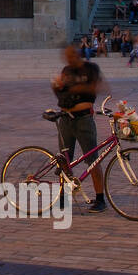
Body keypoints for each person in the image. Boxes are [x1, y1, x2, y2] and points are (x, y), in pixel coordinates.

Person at [50, 45, 108, 213]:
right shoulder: (66, 70)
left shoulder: (90, 69)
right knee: (64, 160)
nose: (69, 58)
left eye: (71, 54)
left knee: (93, 159)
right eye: (66, 56)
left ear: (78, 54)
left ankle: (100, 198)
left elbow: (94, 88)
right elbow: (61, 94)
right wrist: (57, 87)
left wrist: (72, 87)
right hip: (66, 119)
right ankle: (63, 197)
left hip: (84, 119)